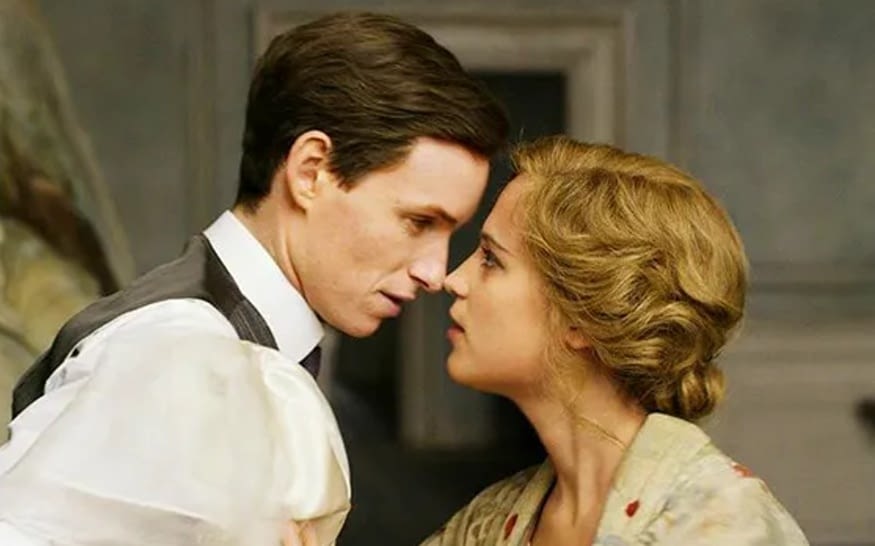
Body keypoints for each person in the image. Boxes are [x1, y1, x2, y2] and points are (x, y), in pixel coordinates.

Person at [0, 12, 508, 545]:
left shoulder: (220, 349)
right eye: (418, 222)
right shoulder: (184, 353)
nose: (434, 272)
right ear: (311, 170)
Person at [422, 136, 808, 545]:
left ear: (581, 317)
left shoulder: (723, 524)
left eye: (491, 259)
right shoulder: (488, 522)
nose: (453, 280)